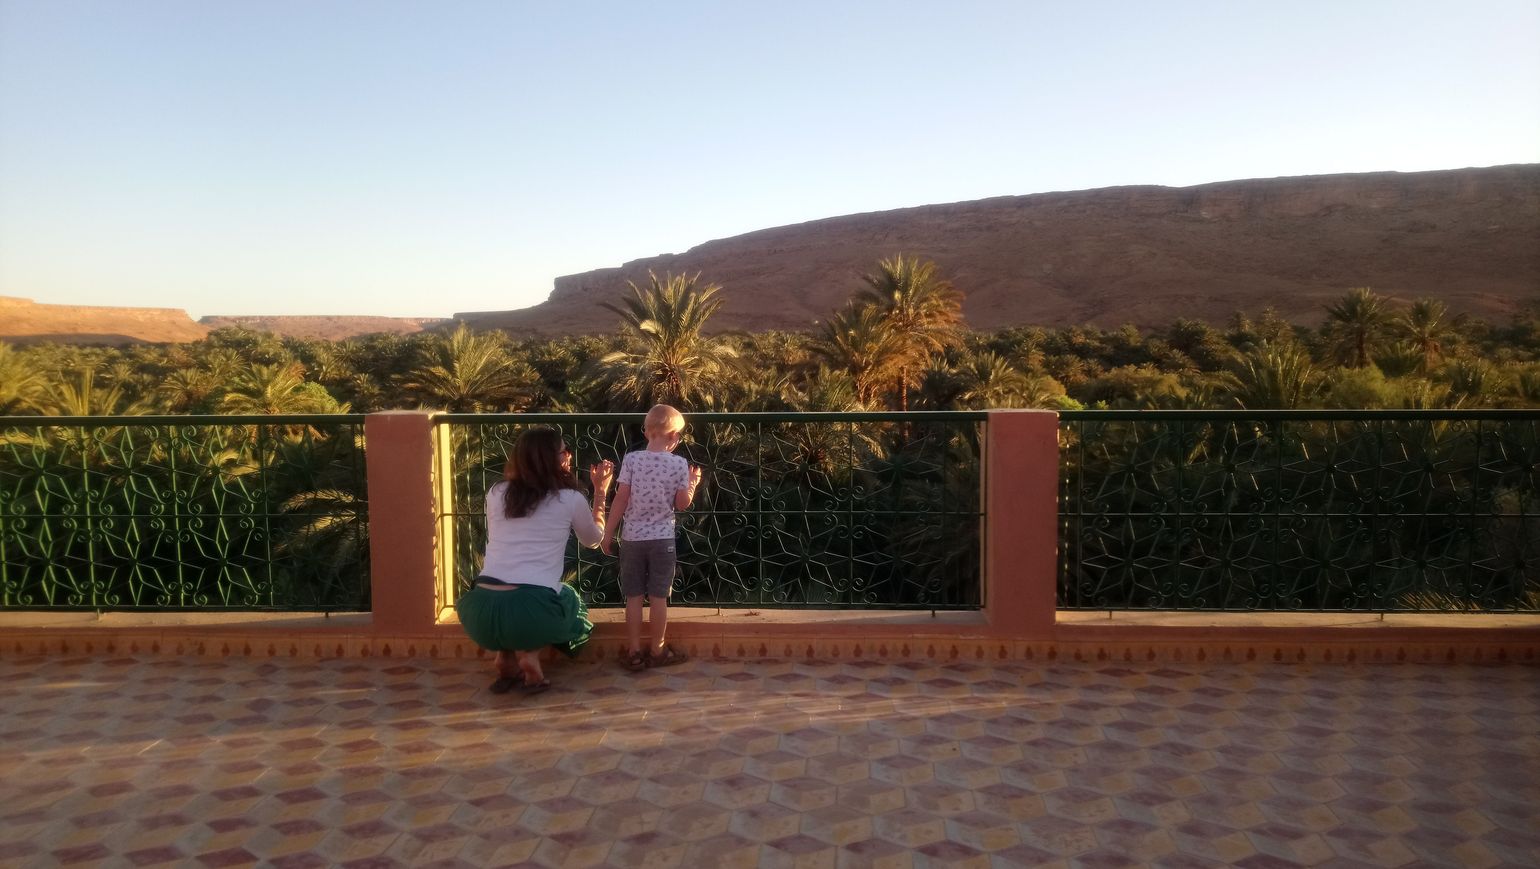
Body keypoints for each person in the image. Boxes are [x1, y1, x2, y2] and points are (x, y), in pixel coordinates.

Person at [455, 427, 613, 695]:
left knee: (512, 608)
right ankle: (530, 655)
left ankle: (505, 657)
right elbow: (593, 539)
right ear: (552, 459)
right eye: (565, 451)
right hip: (532, 610)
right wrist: (600, 493)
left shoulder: (496, 493)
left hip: (478, 612)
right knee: (572, 601)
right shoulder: (570, 499)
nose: (569, 456)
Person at [601, 404, 702, 671]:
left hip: (632, 538)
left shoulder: (632, 460)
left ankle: (634, 651)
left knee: (633, 596)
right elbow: (682, 503)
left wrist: (608, 533)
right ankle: (657, 650)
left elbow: (621, 498)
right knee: (658, 598)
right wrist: (692, 484)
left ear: (647, 432)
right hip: (662, 540)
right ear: (673, 437)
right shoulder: (679, 464)